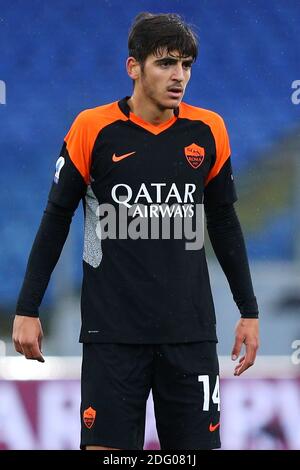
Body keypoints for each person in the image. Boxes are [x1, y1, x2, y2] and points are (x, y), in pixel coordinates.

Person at [12, 12, 259, 450]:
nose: (178, 76)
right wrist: (27, 308)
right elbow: (55, 219)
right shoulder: (93, 128)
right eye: (165, 63)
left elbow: (222, 220)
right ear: (134, 67)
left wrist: (249, 310)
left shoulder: (209, 130)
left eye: (186, 65)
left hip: (190, 334)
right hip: (113, 336)